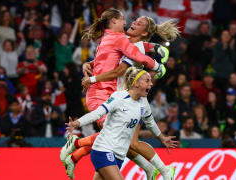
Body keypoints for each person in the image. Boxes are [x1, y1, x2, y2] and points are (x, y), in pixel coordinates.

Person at [60, 11, 179, 179]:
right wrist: (90, 63)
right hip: (121, 98)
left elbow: (120, 69)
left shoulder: (133, 46)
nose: (133, 23)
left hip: (129, 98)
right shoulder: (126, 42)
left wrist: (157, 64)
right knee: (124, 140)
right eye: (135, 20)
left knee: (126, 140)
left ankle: (160, 170)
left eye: (139, 23)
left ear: (144, 33)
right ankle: (157, 170)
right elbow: (109, 58)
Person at [65, 67, 178, 180]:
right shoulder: (119, 97)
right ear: (136, 83)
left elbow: (151, 123)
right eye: (147, 81)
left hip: (119, 156)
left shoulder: (144, 103)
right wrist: (77, 123)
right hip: (103, 149)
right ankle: (159, 170)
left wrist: (162, 138)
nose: (151, 84)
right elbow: (97, 114)